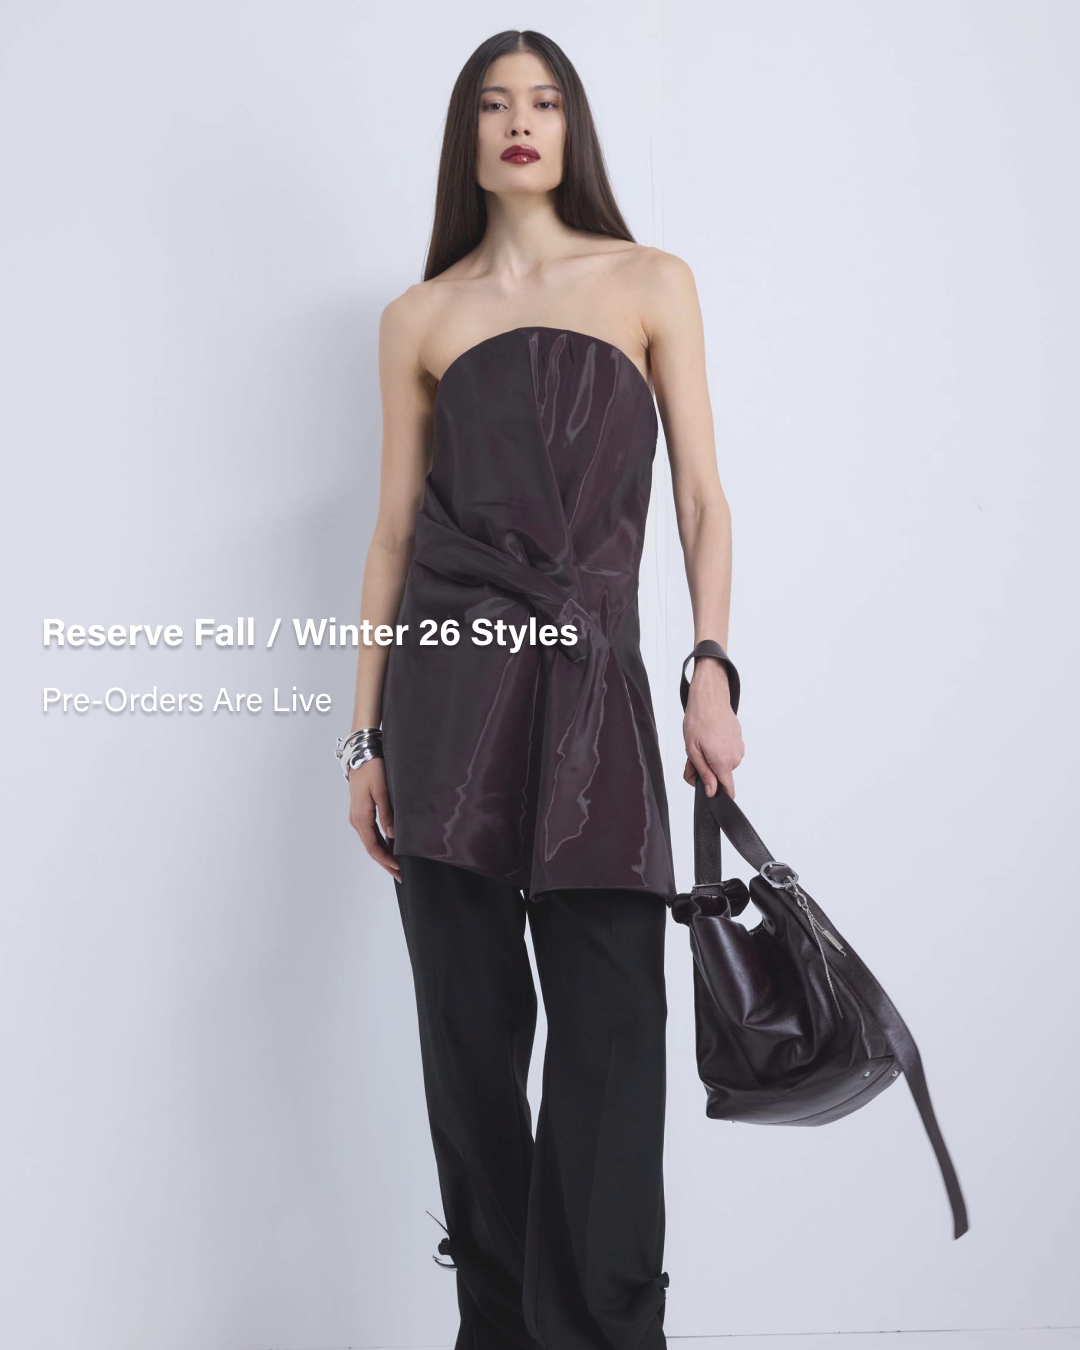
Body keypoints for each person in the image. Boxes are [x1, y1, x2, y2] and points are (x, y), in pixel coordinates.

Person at [340, 29, 743, 1350]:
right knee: (467, 1042)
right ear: (467, 136)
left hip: (597, 697)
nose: (522, 121)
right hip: (448, 706)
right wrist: (364, 738)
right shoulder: (419, 317)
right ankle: (498, 1328)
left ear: (574, 129)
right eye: (496, 104)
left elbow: (702, 500)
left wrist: (710, 667)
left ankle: (609, 1333)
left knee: (615, 1030)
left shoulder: (651, 281)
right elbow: (393, 535)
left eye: (547, 101)